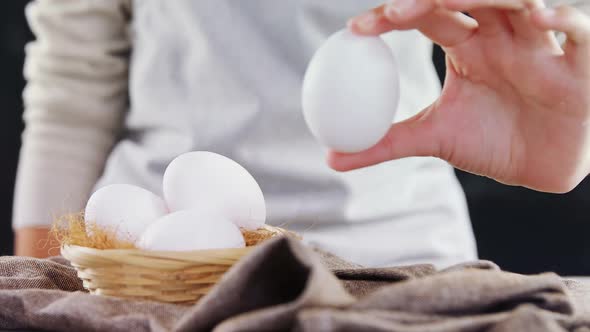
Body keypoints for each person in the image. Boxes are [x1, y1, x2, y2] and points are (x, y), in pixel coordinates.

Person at [12, 0, 588, 268]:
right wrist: (42, 288)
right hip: (156, 267)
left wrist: (566, 129)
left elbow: (552, 26)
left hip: (402, 266)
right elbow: (73, 86)